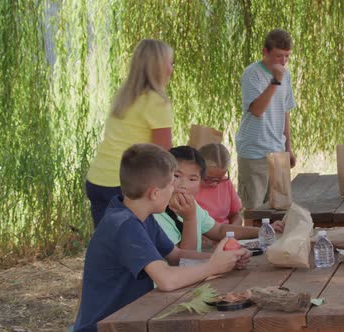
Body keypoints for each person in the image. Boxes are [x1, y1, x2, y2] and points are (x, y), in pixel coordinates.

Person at [74, 144, 250, 332]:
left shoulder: (139, 215)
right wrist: (214, 266)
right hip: (106, 327)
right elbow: (166, 279)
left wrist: (226, 259)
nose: (176, 189)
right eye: (171, 185)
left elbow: (176, 255)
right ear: (155, 193)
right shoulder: (124, 225)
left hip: (132, 318)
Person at [85, 39, 175, 228]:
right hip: (126, 184)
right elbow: (162, 155)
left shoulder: (124, 97)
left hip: (98, 179)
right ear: (159, 67)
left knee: (107, 246)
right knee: (129, 247)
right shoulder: (157, 102)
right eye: (170, 63)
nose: (171, 69)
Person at [155, 146, 283, 252]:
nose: (183, 185)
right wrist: (190, 218)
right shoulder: (157, 215)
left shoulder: (191, 204)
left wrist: (263, 230)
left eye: (192, 179)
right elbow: (183, 260)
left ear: (200, 182)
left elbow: (219, 230)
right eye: (177, 176)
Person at [235, 28, 296, 212]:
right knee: (254, 211)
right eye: (278, 56)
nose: (283, 62)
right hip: (254, 152)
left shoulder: (286, 75)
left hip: (278, 151)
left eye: (287, 56)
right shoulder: (251, 74)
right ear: (265, 52)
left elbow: (285, 111)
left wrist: (289, 148)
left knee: (280, 209)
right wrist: (275, 81)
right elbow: (257, 110)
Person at [196, 143, 242, 226]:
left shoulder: (226, 182)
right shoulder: (189, 186)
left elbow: (236, 214)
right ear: (197, 168)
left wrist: (232, 229)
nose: (215, 183)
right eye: (208, 179)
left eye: (219, 179)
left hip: (225, 233)